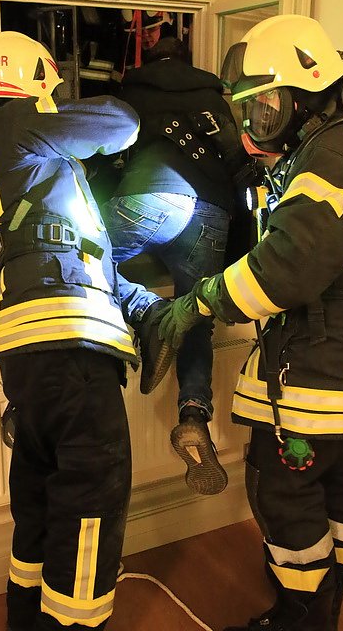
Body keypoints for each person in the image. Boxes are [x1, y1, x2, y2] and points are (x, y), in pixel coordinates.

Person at [157, 14, 343, 630]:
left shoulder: (337, 155)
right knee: (342, 483)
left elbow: (285, 269)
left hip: (316, 378)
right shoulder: (340, 141)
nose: (253, 122)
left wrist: (198, 302)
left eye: (264, 106)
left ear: (303, 95)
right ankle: (327, 599)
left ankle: (301, 615)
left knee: (284, 491)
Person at [0, 30, 171, 631]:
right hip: (68, 346)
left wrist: (139, 302)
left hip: (26, 354)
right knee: (90, 496)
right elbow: (120, 124)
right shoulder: (19, 122)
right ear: (35, 81)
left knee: (40, 490)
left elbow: (70, 253)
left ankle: (26, 619)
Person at [102, 36, 255, 496]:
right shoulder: (213, 97)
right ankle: (193, 418)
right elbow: (239, 163)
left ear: (146, 62)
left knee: (81, 259)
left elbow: (107, 159)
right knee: (197, 316)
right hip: (208, 211)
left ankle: (147, 313)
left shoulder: (130, 94)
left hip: (149, 197)